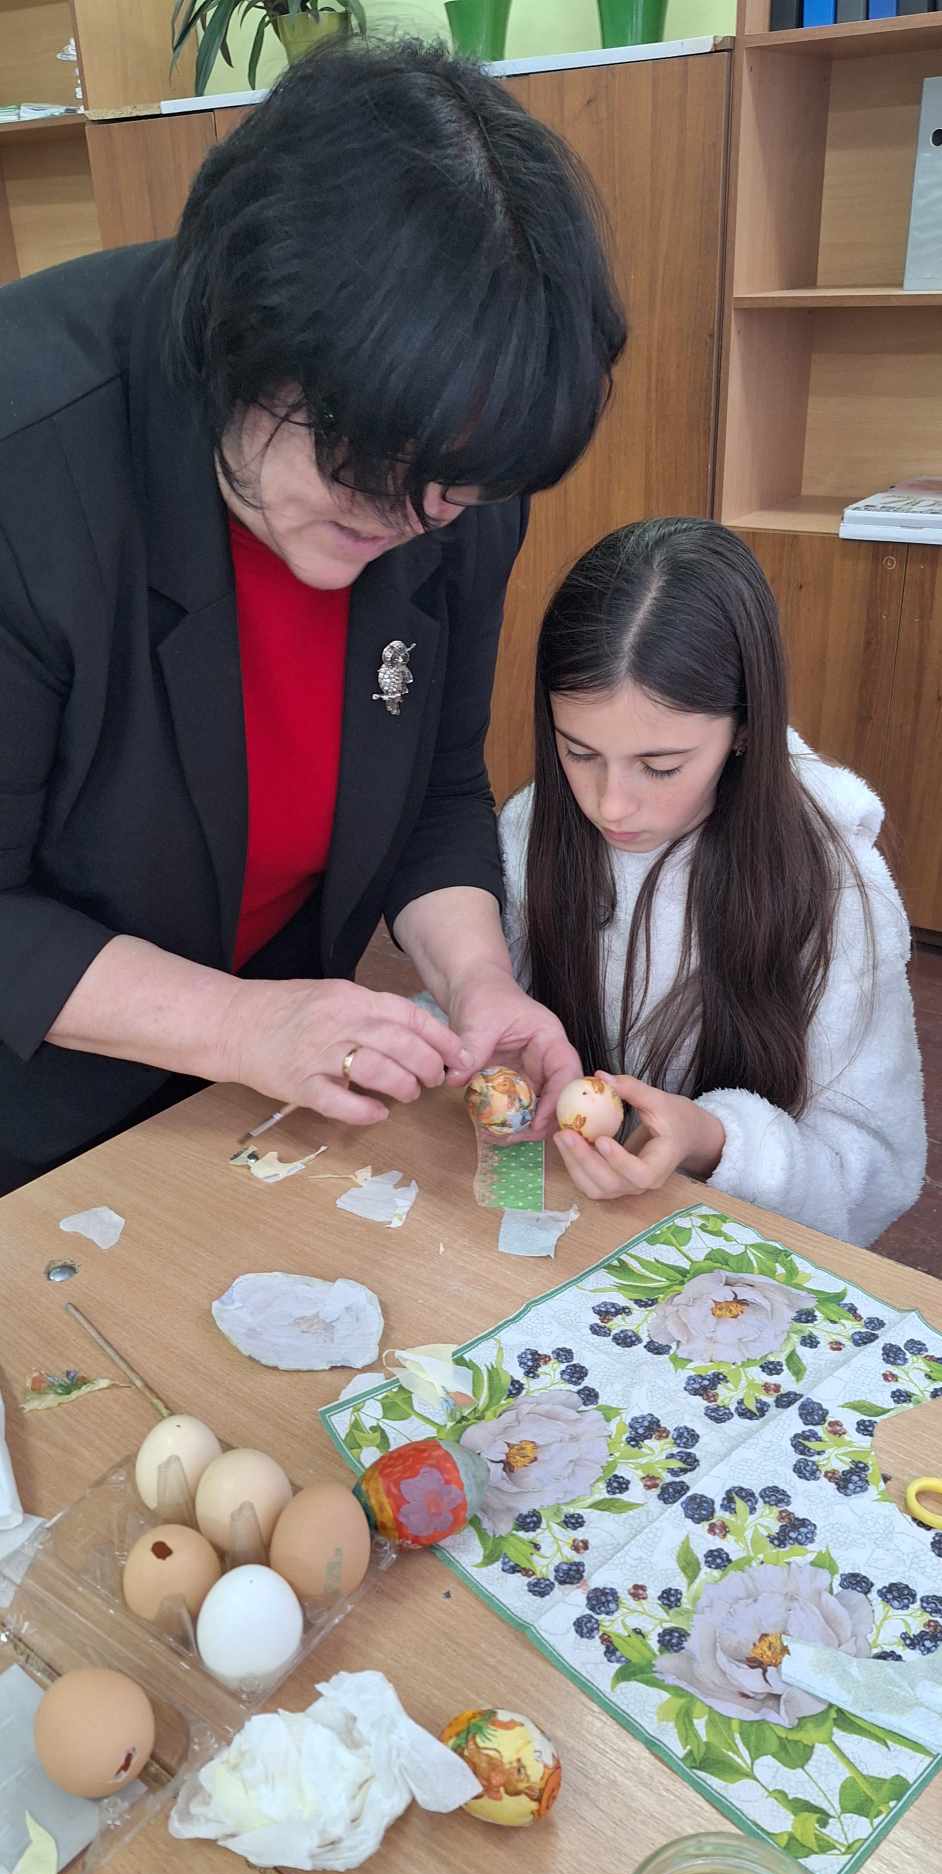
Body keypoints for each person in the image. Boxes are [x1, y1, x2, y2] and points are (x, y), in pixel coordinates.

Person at [0, 37, 626, 1192]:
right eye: (369, 470)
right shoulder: (31, 459)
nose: (414, 522)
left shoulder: (450, 480)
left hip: (246, 1094)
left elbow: (437, 786)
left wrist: (477, 981)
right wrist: (238, 1024)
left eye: (456, 491)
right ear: (244, 337)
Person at [499, 518, 926, 1248]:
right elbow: (496, 1018)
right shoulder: (531, 826)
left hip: (726, 1269)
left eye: (661, 767)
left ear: (746, 728)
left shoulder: (833, 885)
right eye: (579, 753)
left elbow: (873, 1174)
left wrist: (714, 1141)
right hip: (556, 1230)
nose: (611, 805)